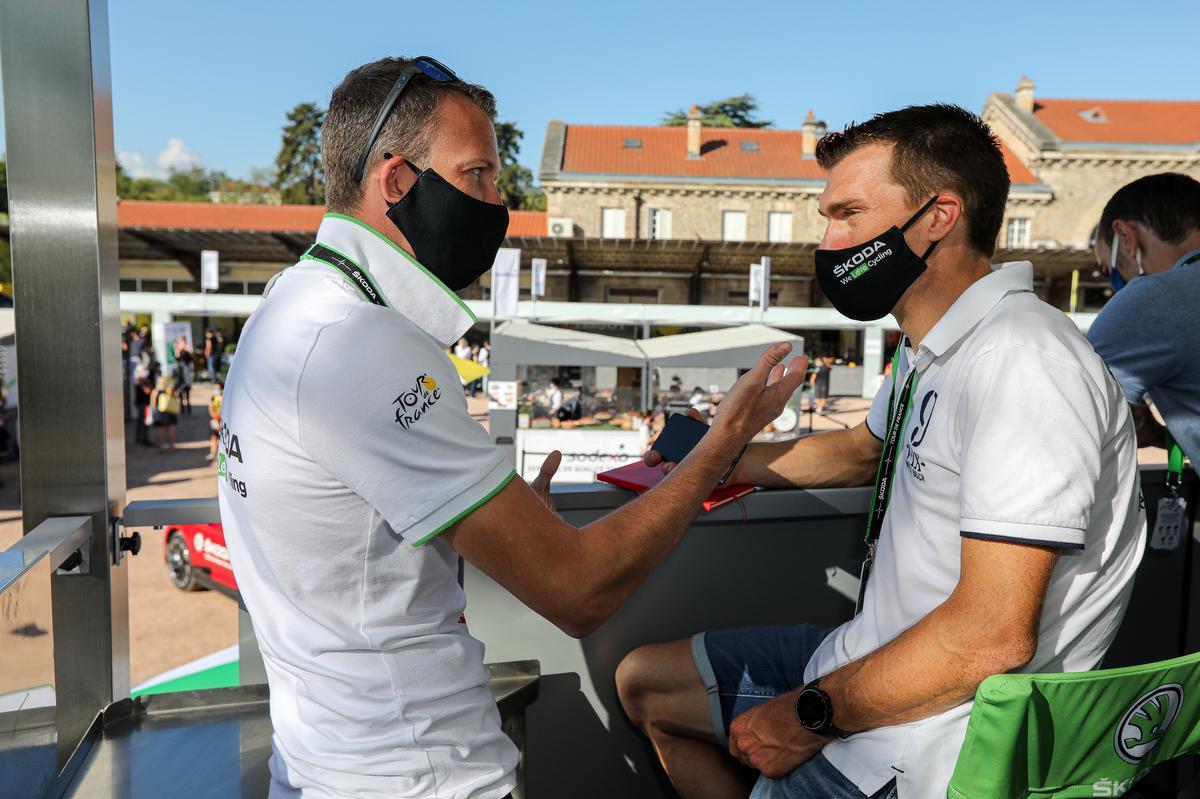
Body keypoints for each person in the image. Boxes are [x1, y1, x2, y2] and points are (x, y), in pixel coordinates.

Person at [215, 55, 807, 799]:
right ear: (397, 182)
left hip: (324, 766)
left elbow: (353, 549)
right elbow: (579, 591)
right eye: (479, 177)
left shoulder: (287, 308)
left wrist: (516, 520)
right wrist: (723, 441)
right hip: (422, 778)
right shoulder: (361, 343)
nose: (499, 202)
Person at [615, 104, 1145, 799]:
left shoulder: (1021, 361)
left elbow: (991, 635)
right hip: (865, 656)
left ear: (938, 216)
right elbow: (863, 452)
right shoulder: (932, 348)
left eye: (849, 214)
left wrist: (807, 717)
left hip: (926, 745)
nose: (829, 241)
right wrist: (715, 457)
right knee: (645, 684)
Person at [1088, 173, 1200, 470]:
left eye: (1110, 269)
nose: (1115, 282)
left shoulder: (1156, 297)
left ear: (1126, 238)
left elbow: (1071, 413)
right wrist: (1163, 435)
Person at [150, 375, 179, 454]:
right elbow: (176, 398)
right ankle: (171, 448)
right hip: (170, 412)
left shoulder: (156, 391)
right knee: (171, 431)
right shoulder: (170, 390)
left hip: (160, 412)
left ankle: (158, 449)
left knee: (159, 431)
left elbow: (153, 403)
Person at [207, 380, 223, 463]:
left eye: (218, 388)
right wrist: (214, 415)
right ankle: (212, 454)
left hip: (222, 420)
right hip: (214, 420)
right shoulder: (213, 397)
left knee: (222, 438)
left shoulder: (224, 396)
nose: (216, 390)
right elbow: (210, 407)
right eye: (215, 388)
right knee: (214, 437)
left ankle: (221, 455)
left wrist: (219, 416)